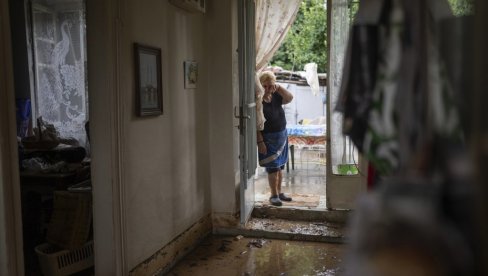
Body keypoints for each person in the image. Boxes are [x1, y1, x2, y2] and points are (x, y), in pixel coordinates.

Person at [257, 71, 294, 206]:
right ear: (260, 86)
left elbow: (290, 98)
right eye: (264, 86)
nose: (267, 89)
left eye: (270, 86)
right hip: (268, 138)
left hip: (281, 136)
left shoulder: (276, 95)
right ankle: (273, 195)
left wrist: (278, 87)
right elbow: (256, 125)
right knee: (272, 168)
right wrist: (260, 142)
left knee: (280, 167)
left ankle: (279, 192)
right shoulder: (258, 101)